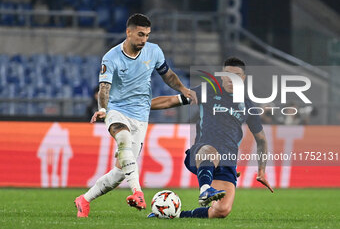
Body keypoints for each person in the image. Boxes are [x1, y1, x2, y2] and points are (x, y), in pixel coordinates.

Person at [74, 13, 193, 218]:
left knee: (120, 173)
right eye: (140, 34)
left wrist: (183, 89)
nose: (144, 39)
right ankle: (138, 193)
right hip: (116, 109)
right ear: (128, 32)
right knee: (123, 137)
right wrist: (103, 109)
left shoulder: (153, 51)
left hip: (140, 116)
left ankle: (84, 200)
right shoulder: (111, 57)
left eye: (147, 35)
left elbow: (168, 75)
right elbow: (104, 87)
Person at [149, 57, 273, 218]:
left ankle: (174, 215)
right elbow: (170, 101)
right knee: (210, 151)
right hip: (201, 152)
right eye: (227, 74)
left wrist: (261, 170)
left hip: (227, 161)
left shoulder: (248, 105)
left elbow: (261, 139)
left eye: (236, 75)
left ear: (243, 78)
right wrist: (137, 105)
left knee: (221, 211)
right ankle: (205, 189)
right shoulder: (206, 91)